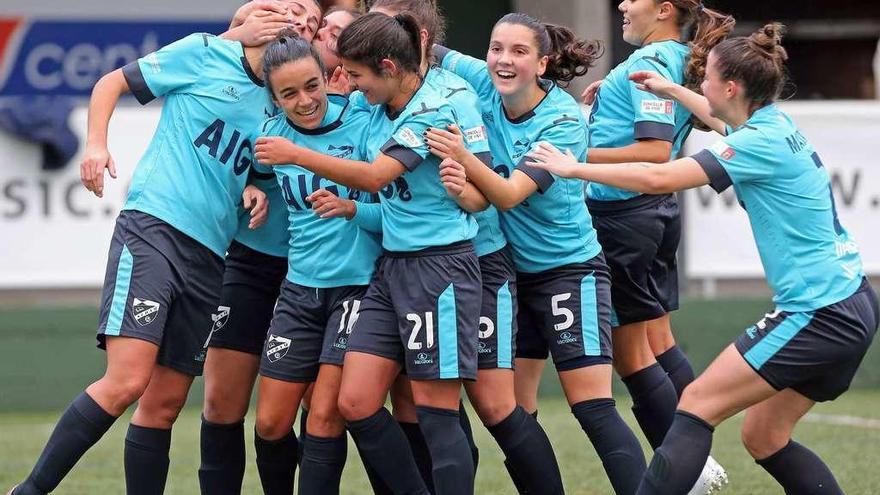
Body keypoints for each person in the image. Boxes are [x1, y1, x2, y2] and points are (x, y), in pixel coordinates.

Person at [526, 23, 879, 495]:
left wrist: (573, 166)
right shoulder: (769, 124)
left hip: (820, 312)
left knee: (695, 404)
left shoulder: (755, 143)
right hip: (852, 301)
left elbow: (658, 178)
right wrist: (670, 89)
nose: (699, 83)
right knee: (764, 437)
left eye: (705, 77)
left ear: (730, 87)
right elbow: (719, 121)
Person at [4, 3, 316, 492]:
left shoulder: (279, 104)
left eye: (311, 21)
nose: (298, 21)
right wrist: (96, 145)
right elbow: (111, 83)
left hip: (212, 257)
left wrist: (251, 187)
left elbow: (247, 169)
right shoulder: (205, 52)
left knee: (165, 403)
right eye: (291, 9)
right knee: (127, 380)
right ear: (259, 13)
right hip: (155, 229)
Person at [256, 12, 483, 495]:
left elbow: (377, 178)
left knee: (436, 412)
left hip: (437, 266)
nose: (348, 85)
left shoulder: (431, 107)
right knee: (352, 403)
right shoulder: (374, 111)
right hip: (386, 271)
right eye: (289, 93)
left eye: (352, 75)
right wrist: (252, 192)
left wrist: (298, 157)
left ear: (386, 66)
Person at [429, 13, 648, 494]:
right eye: (496, 48)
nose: (503, 60)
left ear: (543, 63)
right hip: (509, 274)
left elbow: (508, 195)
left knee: (591, 406)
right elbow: (422, 42)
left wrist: (463, 157)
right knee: (512, 414)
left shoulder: (563, 120)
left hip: (567, 271)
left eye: (519, 52)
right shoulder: (480, 82)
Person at [584, 1, 733, 483]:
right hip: (654, 210)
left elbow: (652, 148)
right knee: (658, 338)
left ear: (665, 9)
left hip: (625, 215)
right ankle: (698, 454)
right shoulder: (679, 57)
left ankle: (686, 469)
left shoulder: (649, 62)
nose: (623, 5)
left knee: (631, 355)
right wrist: (600, 105)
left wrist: (571, 149)